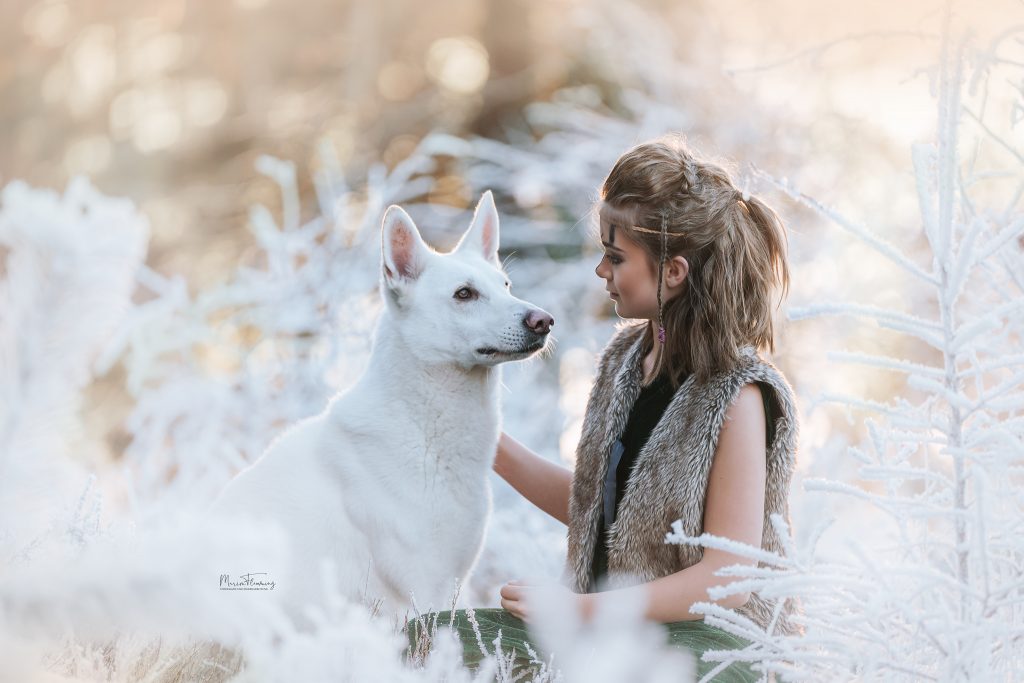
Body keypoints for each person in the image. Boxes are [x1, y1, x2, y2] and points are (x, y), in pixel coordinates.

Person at [405, 133, 802, 680]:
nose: (600, 271)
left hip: (715, 655)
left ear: (673, 272)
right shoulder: (623, 362)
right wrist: (482, 439)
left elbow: (725, 578)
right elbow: (602, 508)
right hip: (610, 635)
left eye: (615, 257)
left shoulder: (740, 397)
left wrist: (580, 609)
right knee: (425, 642)